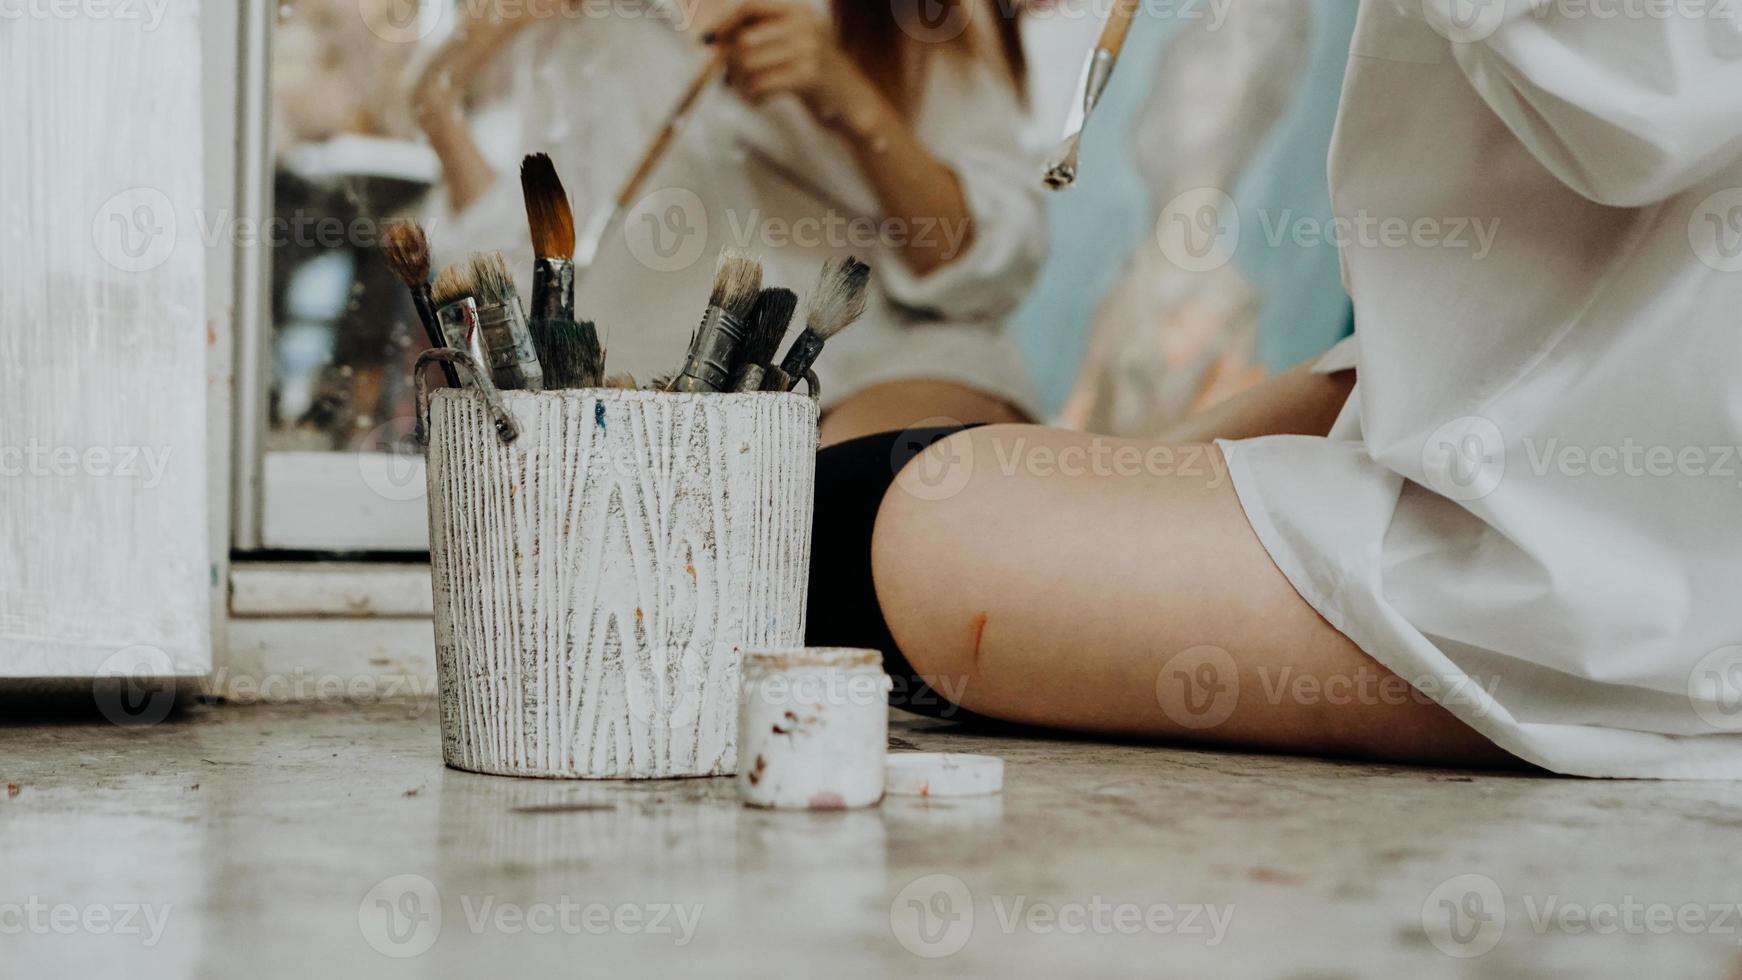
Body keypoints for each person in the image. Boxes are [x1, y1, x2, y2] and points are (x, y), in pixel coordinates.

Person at [810, 2, 1742, 778]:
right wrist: (1125, 483)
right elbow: (1510, 327)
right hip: (1557, 466)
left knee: (870, 532)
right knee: (856, 506)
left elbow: (1650, 98)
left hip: (1614, 588)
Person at [412, 0, 1043, 443]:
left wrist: (851, 101)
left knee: (837, 508)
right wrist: (439, 107)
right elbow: (527, 278)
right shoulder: (579, 30)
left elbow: (986, 265)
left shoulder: (909, 15)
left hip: (882, 371)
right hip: (649, 418)